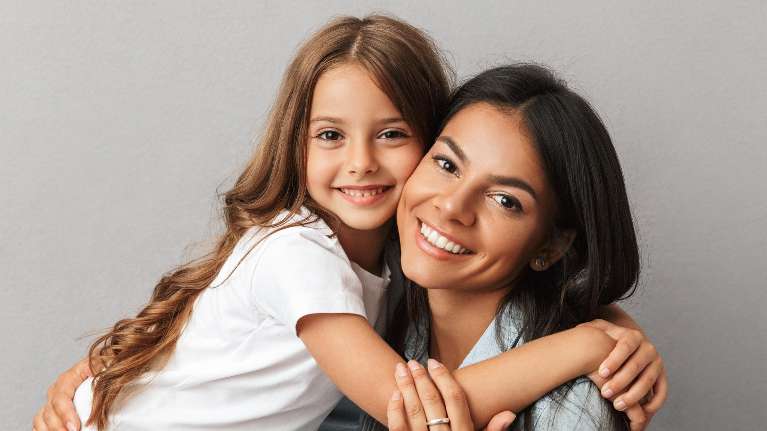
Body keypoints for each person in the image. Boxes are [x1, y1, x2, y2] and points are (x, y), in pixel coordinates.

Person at [33, 16, 665, 431]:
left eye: (392, 135)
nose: (361, 162)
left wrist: (608, 324)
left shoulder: (390, 271)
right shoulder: (310, 263)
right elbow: (408, 405)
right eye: (331, 135)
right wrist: (587, 341)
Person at [380, 64, 666, 430]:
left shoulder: (572, 411)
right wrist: (595, 340)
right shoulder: (378, 298)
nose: (452, 207)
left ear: (552, 245)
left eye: (504, 200)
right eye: (447, 164)